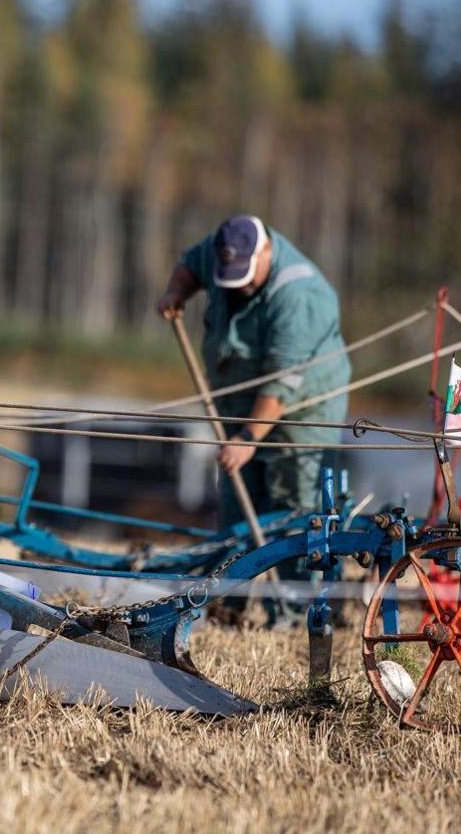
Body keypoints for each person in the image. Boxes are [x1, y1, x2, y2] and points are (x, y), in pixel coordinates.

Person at [155, 215, 351, 624]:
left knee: (295, 505)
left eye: (244, 276)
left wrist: (247, 438)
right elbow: (190, 265)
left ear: (265, 252)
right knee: (237, 500)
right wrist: (176, 293)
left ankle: (298, 610)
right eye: (228, 277)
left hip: (302, 409)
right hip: (240, 399)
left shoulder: (297, 295)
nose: (237, 285)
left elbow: (281, 386)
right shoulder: (219, 250)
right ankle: (230, 603)